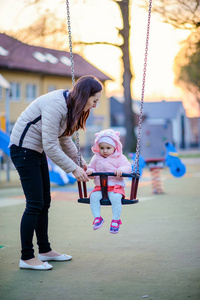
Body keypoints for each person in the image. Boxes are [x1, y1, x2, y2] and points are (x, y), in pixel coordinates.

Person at [9, 75, 102, 270]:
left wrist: (81, 163)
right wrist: (73, 169)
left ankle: (45, 250)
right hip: (23, 149)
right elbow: (51, 145)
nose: (94, 106)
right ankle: (26, 257)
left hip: (36, 150)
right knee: (34, 203)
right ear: (85, 96)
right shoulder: (56, 104)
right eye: (94, 101)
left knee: (45, 201)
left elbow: (64, 139)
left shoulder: (69, 107)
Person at [86, 129, 132, 234]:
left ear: (115, 147)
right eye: (102, 148)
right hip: (100, 188)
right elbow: (92, 168)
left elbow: (128, 167)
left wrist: (121, 170)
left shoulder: (120, 157)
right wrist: (90, 172)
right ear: (98, 147)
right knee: (93, 197)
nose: (105, 151)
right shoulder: (95, 158)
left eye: (108, 148)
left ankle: (115, 220)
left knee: (115, 198)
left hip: (115, 187)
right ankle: (97, 218)